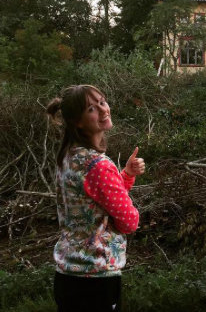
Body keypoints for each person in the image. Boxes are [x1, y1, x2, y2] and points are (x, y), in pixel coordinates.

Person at [46, 85, 145, 312]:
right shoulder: (98, 165)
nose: (103, 110)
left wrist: (127, 175)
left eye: (102, 102)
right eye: (92, 108)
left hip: (67, 274)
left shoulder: (67, 156)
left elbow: (92, 203)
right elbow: (129, 221)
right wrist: (118, 221)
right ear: (77, 122)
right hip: (96, 279)